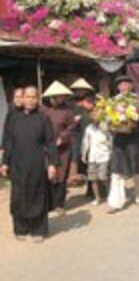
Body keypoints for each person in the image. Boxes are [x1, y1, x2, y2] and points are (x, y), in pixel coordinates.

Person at [1, 86, 58, 242]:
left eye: (34, 97)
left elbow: (51, 142)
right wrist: (5, 162)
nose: (31, 100)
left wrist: (53, 164)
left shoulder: (43, 119)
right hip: (17, 164)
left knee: (37, 195)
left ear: (37, 99)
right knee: (19, 196)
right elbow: (8, 142)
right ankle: (21, 228)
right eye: (28, 97)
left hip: (37, 164)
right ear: (23, 98)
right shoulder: (13, 118)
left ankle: (38, 230)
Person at [108, 75, 139, 213]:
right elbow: (107, 118)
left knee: (138, 167)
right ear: (118, 87)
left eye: (126, 84)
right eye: (121, 85)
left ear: (131, 86)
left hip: (134, 138)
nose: (124, 87)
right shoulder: (112, 101)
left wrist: (134, 120)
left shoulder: (137, 99)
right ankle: (115, 202)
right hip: (118, 139)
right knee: (117, 170)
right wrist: (110, 126)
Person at [42, 81, 76, 215]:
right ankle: (49, 203)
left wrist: (62, 137)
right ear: (52, 97)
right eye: (58, 96)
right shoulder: (43, 109)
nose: (61, 98)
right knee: (49, 174)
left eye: (63, 96)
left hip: (63, 149)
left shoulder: (68, 111)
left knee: (61, 176)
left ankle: (59, 204)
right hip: (46, 147)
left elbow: (72, 127)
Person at [81, 109, 112, 206]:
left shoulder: (105, 128)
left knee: (103, 177)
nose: (95, 121)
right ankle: (97, 197)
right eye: (93, 120)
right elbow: (86, 142)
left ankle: (109, 195)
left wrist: (110, 151)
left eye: (97, 120)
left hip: (104, 155)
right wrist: (84, 154)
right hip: (92, 156)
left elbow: (110, 141)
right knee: (93, 178)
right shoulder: (89, 128)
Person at [69, 78, 95, 186]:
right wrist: (73, 118)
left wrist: (88, 107)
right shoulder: (71, 101)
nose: (79, 91)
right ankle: (73, 178)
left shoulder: (92, 99)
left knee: (89, 155)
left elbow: (97, 111)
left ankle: (91, 182)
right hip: (75, 132)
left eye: (81, 89)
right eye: (77, 89)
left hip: (88, 130)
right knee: (75, 154)